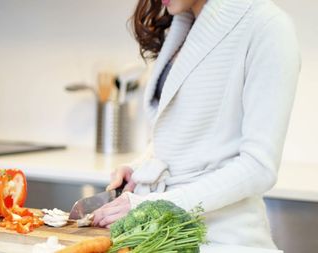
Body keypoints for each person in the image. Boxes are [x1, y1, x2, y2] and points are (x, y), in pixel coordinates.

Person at [93, 0, 300, 249]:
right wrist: (139, 167)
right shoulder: (184, 23)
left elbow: (258, 167)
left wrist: (155, 206)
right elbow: (182, 136)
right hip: (164, 237)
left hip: (222, 239)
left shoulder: (268, 26)